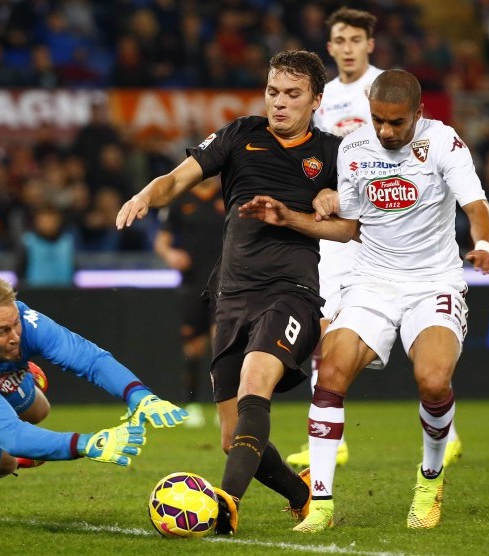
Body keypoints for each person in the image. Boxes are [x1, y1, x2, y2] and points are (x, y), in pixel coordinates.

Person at [239, 69, 489, 532]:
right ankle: (320, 504)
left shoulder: (443, 143)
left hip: (433, 282)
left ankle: (429, 479)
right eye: (378, 120)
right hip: (373, 280)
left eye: (396, 123)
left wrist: (485, 246)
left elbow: (476, 207)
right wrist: (292, 218)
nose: (385, 131)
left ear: (419, 114)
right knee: (331, 370)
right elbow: (351, 226)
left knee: (434, 382)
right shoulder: (355, 148)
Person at [116, 50, 342, 535]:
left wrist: (334, 197)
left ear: (316, 100)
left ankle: (225, 504)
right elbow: (177, 179)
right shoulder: (241, 135)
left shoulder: (333, 153)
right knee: (230, 436)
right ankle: (302, 494)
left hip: (291, 291)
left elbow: (355, 226)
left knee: (256, 379)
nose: (279, 103)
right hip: (232, 295)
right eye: (273, 92)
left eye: (292, 95)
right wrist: (144, 196)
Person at [287, 6, 463, 470]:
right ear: (329, 48)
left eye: (354, 40)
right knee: (326, 327)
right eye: (339, 41)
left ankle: (447, 429)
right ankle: (333, 437)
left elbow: (425, 152)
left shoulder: (389, 89)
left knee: (424, 350)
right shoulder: (319, 98)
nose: (346, 48)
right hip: (344, 224)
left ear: (370, 45)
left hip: (390, 232)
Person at [0, 272, 188, 478]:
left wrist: (139, 395)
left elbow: (90, 359)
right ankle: (3, 396)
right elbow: (12, 435)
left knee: (40, 410)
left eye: (14, 324)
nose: (14, 336)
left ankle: (6, 382)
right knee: (5, 463)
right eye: (1, 331)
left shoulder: (22, 321)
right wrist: (87, 443)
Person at [153, 176, 225, 428]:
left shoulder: (228, 195)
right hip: (192, 283)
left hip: (225, 283)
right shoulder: (180, 201)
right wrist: (171, 253)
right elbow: (161, 241)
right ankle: (191, 404)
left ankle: (223, 405)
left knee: (221, 343)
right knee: (193, 348)